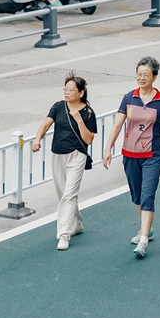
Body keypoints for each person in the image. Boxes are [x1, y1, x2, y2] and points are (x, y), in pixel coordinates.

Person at [102, 56, 160, 258]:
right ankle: (147, 229)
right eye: (139, 74)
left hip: (152, 155)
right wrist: (108, 149)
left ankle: (143, 240)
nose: (141, 78)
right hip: (130, 154)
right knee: (136, 196)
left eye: (146, 75)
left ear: (154, 77)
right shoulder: (129, 98)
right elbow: (118, 125)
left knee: (148, 195)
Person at [32, 73, 97, 250]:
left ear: (81, 93)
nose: (67, 93)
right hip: (57, 154)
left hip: (77, 155)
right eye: (65, 89)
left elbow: (89, 139)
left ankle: (64, 234)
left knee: (69, 194)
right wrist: (37, 139)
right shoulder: (59, 106)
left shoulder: (88, 113)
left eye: (71, 90)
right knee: (64, 194)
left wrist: (79, 120)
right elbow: (46, 124)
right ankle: (77, 223)